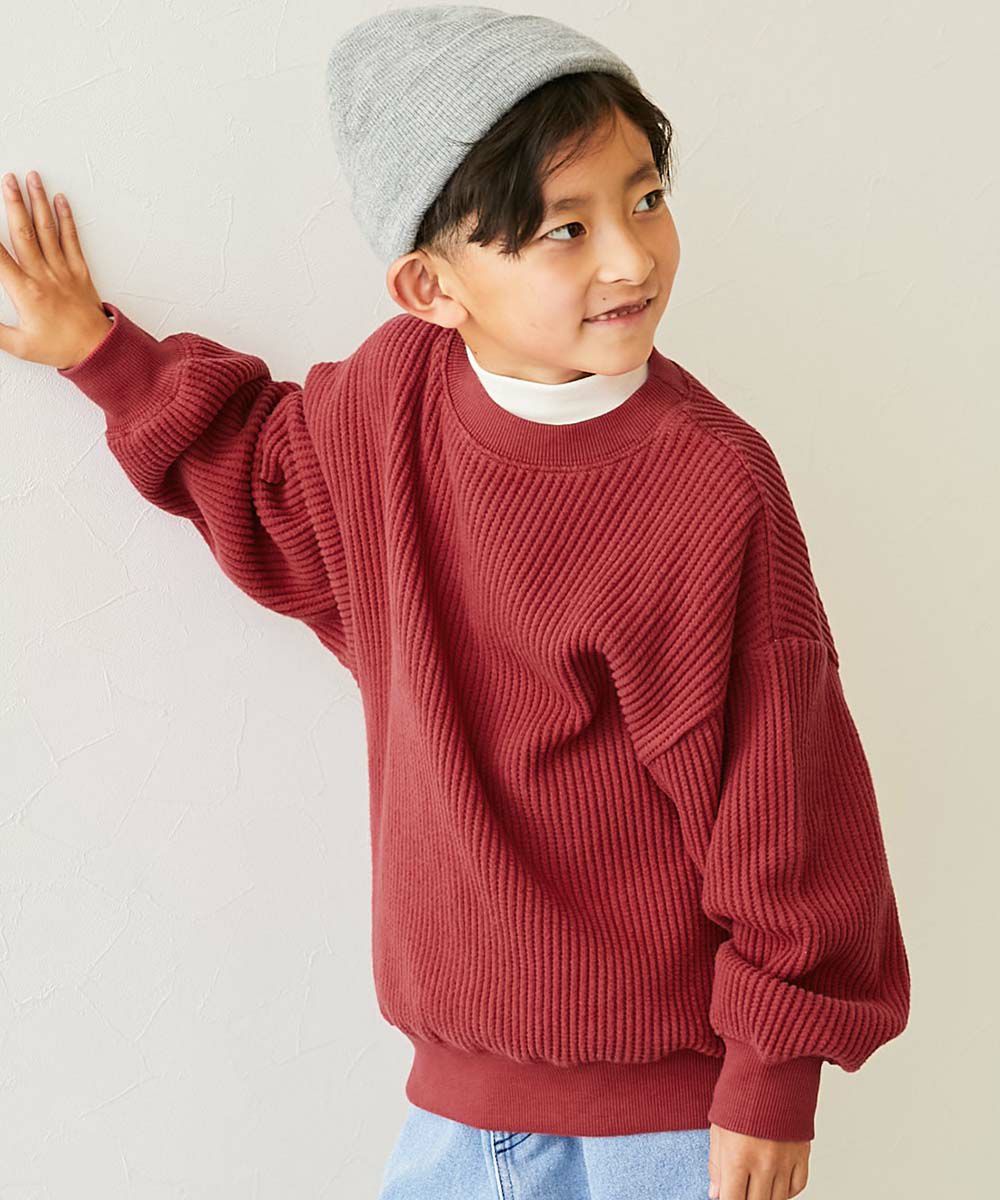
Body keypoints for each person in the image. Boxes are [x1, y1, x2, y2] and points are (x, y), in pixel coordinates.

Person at [0, 6, 910, 1198]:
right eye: (565, 228)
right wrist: (100, 354)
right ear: (430, 286)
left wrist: (774, 1075)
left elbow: (783, 795)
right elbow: (271, 476)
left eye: (645, 199)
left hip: (666, 1122)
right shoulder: (393, 401)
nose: (630, 258)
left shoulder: (706, 486)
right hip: (450, 1112)